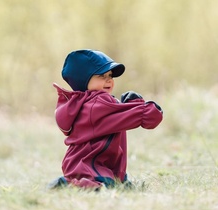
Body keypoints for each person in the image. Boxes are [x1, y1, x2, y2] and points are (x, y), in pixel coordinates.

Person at [48, 49, 163, 190]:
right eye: (102, 76)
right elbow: (137, 117)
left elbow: (115, 117)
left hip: (83, 163)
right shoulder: (99, 102)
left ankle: (75, 183)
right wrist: (148, 109)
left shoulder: (82, 104)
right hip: (90, 166)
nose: (109, 80)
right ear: (83, 79)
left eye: (110, 75)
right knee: (101, 188)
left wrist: (131, 105)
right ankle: (67, 185)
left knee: (120, 187)